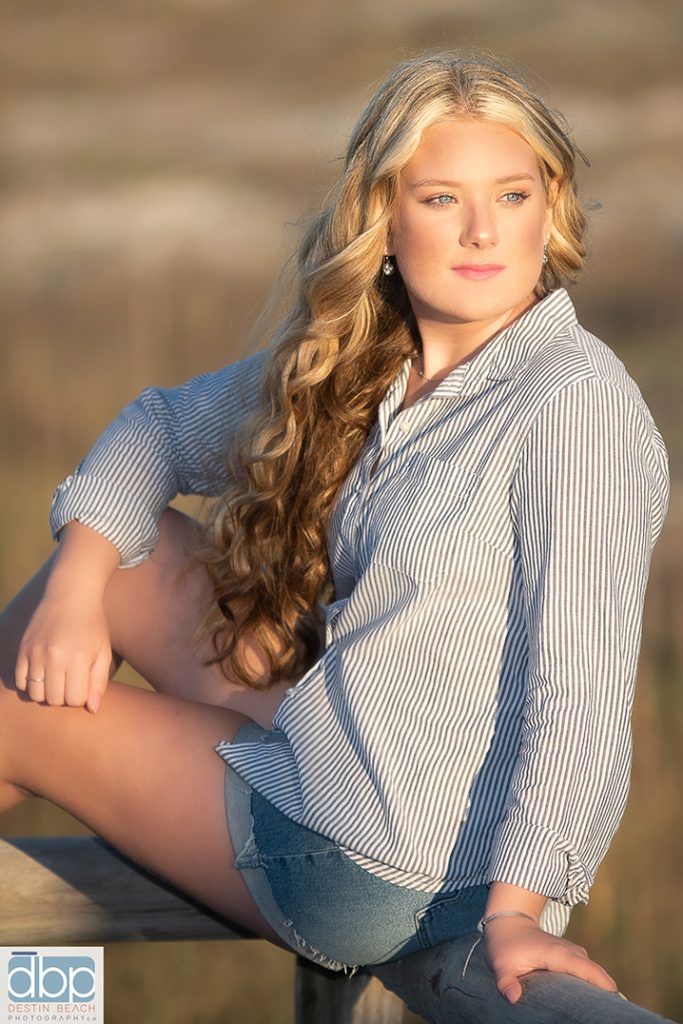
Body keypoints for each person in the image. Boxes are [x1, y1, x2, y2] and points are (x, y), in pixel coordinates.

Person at [0, 52, 669, 1007]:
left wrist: (519, 912)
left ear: (549, 205)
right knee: (119, 559)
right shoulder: (370, 368)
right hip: (357, 757)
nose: (483, 230)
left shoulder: (573, 405)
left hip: (378, 863)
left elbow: (582, 689)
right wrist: (72, 590)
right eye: (441, 199)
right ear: (384, 221)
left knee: (13, 711)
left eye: (511, 194)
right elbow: (156, 428)